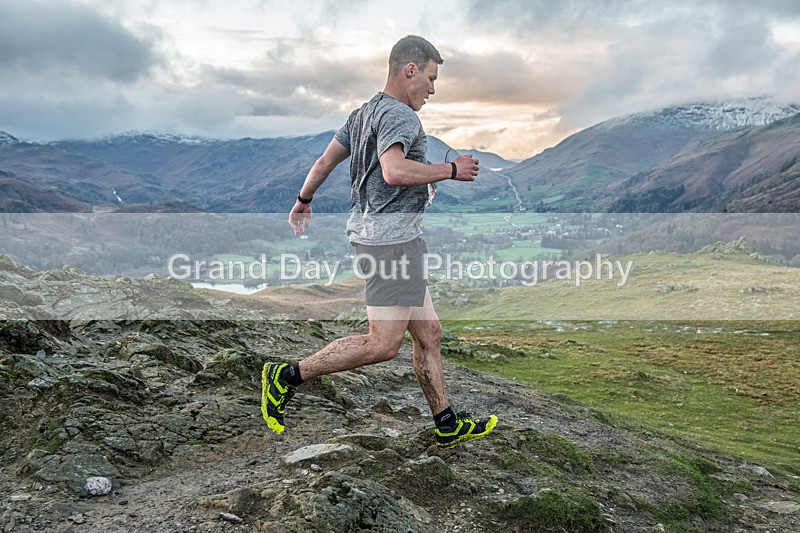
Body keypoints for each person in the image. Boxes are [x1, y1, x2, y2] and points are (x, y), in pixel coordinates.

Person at [261, 35, 497, 449]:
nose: (433, 88)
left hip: (390, 239)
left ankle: (445, 422)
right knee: (383, 344)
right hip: (391, 245)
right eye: (430, 77)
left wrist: (303, 200)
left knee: (429, 333)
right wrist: (450, 170)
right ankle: (285, 377)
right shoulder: (402, 117)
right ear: (410, 70)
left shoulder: (362, 113)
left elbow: (324, 162)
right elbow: (393, 171)